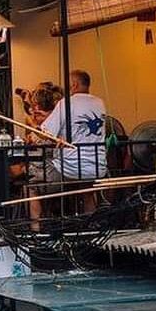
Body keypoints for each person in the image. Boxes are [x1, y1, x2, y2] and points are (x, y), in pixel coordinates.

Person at [30, 70, 108, 227]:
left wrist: (34, 136)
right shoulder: (100, 103)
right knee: (87, 191)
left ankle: (36, 230)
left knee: (32, 186)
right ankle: (91, 227)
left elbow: (46, 133)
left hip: (70, 168)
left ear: (74, 84)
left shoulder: (66, 103)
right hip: (97, 166)